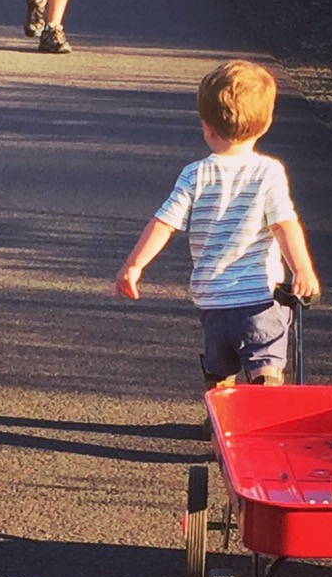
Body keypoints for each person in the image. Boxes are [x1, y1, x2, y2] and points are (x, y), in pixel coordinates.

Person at [115, 60, 321, 394]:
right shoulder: (268, 172)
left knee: (219, 368)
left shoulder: (194, 174)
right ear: (267, 123)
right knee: (266, 363)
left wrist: (134, 265)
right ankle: (263, 408)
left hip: (213, 300)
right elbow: (285, 224)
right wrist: (302, 269)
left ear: (206, 127)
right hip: (259, 298)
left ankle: (219, 413)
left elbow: (163, 223)